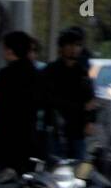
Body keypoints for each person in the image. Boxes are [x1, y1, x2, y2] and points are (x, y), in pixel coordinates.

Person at [0, 30, 44, 173]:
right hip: (29, 137)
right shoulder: (36, 74)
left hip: (7, 139)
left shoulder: (6, 76)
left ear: (9, 51)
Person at [41, 27, 96, 162]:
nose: (74, 49)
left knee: (79, 167)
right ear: (62, 47)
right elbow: (51, 99)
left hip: (77, 129)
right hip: (56, 128)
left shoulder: (82, 72)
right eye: (70, 45)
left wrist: (90, 120)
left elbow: (90, 99)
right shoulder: (51, 71)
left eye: (78, 45)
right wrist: (81, 107)